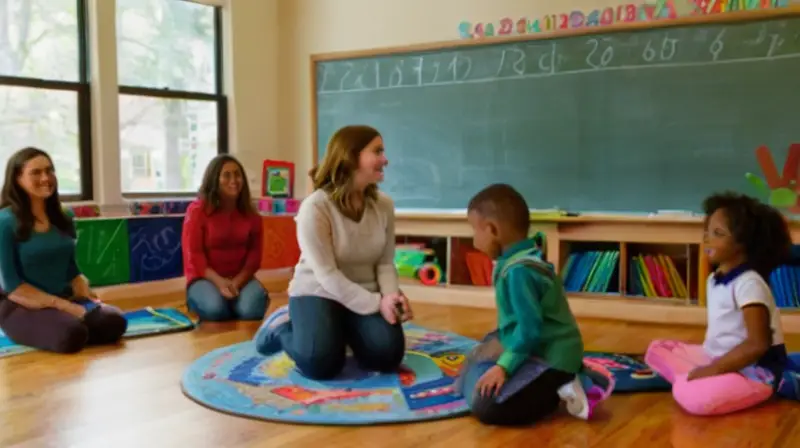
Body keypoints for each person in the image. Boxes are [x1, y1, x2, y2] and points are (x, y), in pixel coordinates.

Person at [253, 125, 413, 380]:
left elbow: (385, 263)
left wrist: (391, 298)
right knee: (320, 363)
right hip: (319, 291)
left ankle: (340, 330)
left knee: (387, 356)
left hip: (364, 291)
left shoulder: (384, 205)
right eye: (377, 151)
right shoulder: (315, 207)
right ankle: (283, 328)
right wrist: (377, 303)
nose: (385, 159)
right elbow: (327, 275)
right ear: (351, 156)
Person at [456, 183, 613, 426]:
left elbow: (529, 330)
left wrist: (503, 368)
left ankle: (568, 385)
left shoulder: (519, 271)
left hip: (552, 359)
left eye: (475, 231)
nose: (474, 241)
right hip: (531, 346)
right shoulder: (517, 260)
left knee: (486, 406)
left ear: (492, 229)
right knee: (478, 355)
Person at [645, 192, 797, 416]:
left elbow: (758, 344)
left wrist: (714, 369)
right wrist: (710, 366)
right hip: (717, 357)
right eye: (707, 231)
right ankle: (694, 378)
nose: (707, 239)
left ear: (744, 243)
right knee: (658, 349)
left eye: (718, 233)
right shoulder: (714, 279)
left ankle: (699, 382)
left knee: (694, 398)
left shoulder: (749, 283)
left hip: (754, 370)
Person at [0, 147, 127, 353]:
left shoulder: (64, 216)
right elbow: (12, 287)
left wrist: (81, 285)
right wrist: (66, 307)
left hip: (64, 298)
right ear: (17, 178)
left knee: (115, 322)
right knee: (71, 334)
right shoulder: (4, 222)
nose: (45, 178)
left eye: (49, 170)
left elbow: (70, 268)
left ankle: (64, 326)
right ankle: (59, 327)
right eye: (36, 172)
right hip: (20, 305)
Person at [182, 154, 269, 321]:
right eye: (227, 175)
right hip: (205, 278)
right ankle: (204, 301)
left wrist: (235, 283)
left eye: (237, 174)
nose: (234, 180)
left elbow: (254, 258)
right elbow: (195, 257)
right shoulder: (197, 211)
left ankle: (232, 303)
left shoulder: (252, 215)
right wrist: (220, 282)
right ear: (215, 180)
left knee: (252, 310)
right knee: (215, 309)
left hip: (240, 279)